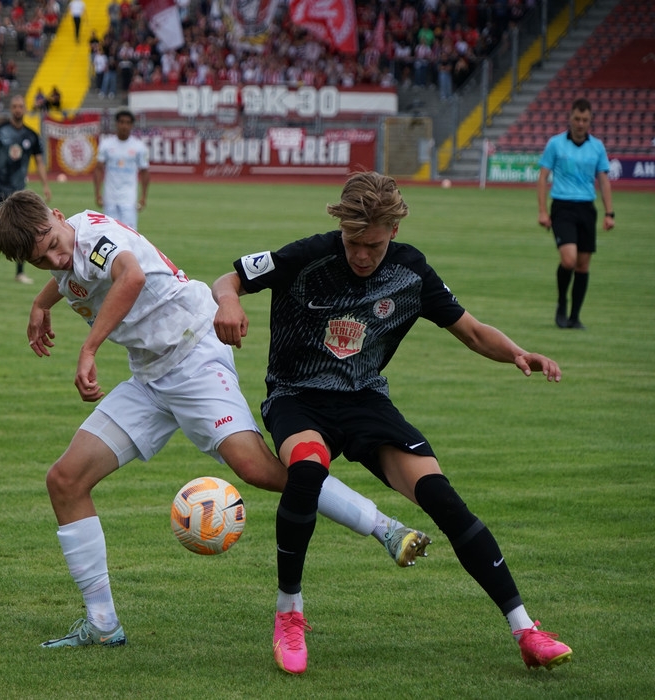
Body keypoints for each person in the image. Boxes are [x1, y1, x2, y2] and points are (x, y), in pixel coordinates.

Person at [0, 188, 431, 650]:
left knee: (259, 470)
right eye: (41, 260)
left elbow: (130, 277)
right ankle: (102, 624)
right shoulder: (66, 246)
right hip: (151, 375)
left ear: (59, 216)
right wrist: (42, 303)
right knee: (65, 480)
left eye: (54, 244)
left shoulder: (95, 237)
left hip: (193, 353)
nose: (56, 259)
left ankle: (388, 529)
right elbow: (71, 274)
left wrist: (89, 347)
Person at [212, 171, 573, 675]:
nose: (362, 254)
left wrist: (516, 352)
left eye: (374, 245)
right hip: (298, 398)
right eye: (354, 242)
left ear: (393, 234)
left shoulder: (410, 272)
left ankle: (527, 630)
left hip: (365, 402)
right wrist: (229, 300)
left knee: (443, 499)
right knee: (308, 469)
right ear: (341, 230)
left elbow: (468, 329)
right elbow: (228, 279)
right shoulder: (308, 255)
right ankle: (289, 615)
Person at [536, 98, 614, 330]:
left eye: (585, 120)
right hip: (562, 207)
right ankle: (562, 303)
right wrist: (542, 211)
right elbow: (542, 177)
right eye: (577, 119)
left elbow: (603, 180)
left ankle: (575, 317)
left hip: (586, 208)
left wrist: (610, 213)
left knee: (582, 265)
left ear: (590, 121)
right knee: (568, 260)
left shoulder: (597, 147)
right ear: (570, 118)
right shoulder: (556, 144)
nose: (580, 123)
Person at [0, 94, 51, 285]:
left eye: (20, 106)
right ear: (11, 108)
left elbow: (40, 162)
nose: (18, 109)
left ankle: (20, 272)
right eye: (15, 106)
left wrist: (45, 185)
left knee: (22, 230)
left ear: (25, 109)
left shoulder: (31, 136)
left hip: (18, 191)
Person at [93, 107, 149, 231]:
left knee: (130, 233)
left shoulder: (139, 146)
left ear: (132, 125)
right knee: (110, 233)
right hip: (110, 197)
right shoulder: (106, 144)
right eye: (122, 122)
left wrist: (143, 196)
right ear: (117, 124)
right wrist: (97, 193)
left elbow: (144, 172)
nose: (124, 126)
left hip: (129, 198)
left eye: (128, 123)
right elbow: (98, 169)